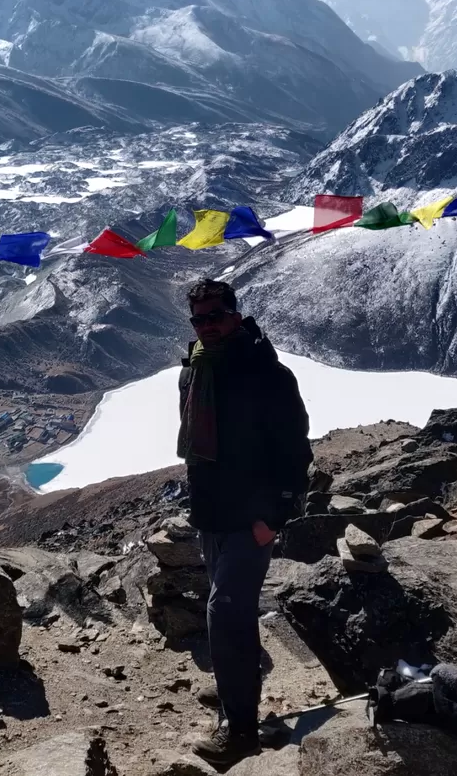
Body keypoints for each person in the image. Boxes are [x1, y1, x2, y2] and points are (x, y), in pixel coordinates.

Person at [177, 278, 312, 768]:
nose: (208, 326)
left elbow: (295, 452)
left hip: (250, 520)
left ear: (236, 314)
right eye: (199, 319)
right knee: (232, 615)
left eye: (216, 315)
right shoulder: (194, 369)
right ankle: (240, 695)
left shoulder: (267, 374)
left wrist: (273, 517)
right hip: (211, 514)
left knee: (224, 613)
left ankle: (240, 732)